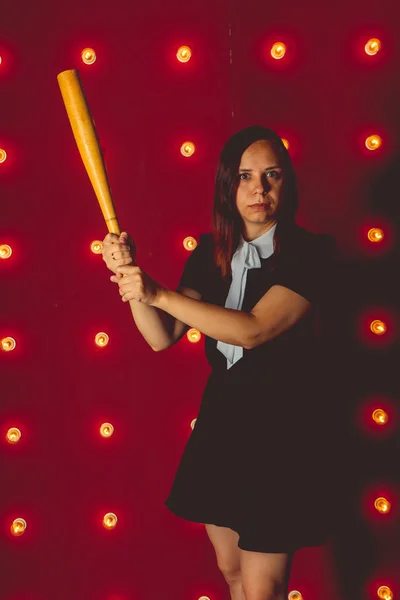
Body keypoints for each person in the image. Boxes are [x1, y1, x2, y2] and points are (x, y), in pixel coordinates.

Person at [102, 125, 337, 600]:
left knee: (262, 588)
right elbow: (160, 336)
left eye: (272, 175)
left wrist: (158, 292)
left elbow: (253, 329)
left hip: (282, 431)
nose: (259, 189)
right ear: (228, 185)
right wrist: (131, 277)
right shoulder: (210, 253)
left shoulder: (311, 253)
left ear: (286, 183)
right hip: (222, 424)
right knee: (232, 572)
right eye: (245, 176)